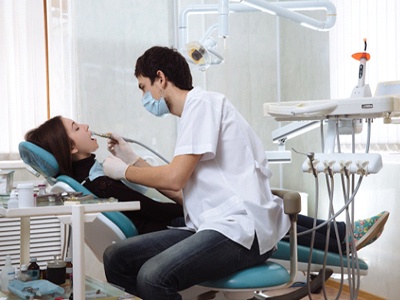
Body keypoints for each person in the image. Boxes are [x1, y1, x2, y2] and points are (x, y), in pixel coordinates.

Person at [101, 46, 389, 299]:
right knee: (117, 258)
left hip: (240, 233)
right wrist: (132, 159)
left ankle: (345, 235)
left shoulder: (202, 105)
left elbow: (174, 177)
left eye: (143, 87)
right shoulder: (193, 114)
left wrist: (125, 171)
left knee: (153, 277)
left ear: (161, 79)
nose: (143, 96)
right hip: (211, 225)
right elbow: (179, 190)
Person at [24, 116, 184, 234]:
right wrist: (188, 207)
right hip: (164, 229)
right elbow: (155, 210)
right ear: (72, 147)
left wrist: (130, 159)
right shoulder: (100, 184)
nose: (85, 125)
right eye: (76, 128)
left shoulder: (86, 179)